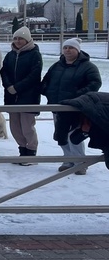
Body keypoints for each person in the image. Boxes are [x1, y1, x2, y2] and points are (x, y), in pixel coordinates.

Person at [41, 38, 102, 174]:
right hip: (57, 106)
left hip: (75, 107)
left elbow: (95, 84)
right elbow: (46, 81)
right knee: (60, 135)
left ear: (77, 50)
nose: (67, 50)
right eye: (65, 48)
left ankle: (80, 162)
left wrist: (77, 96)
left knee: (73, 134)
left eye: (71, 48)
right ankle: (68, 160)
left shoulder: (88, 67)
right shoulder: (57, 66)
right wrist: (47, 91)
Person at [0, 26, 43, 165]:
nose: (18, 41)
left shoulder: (34, 54)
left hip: (28, 97)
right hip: (12, 97)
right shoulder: (10, 55)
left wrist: (17, 88)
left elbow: (34, 75)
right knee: (15, 127)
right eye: (16, 38)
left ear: (27, 40)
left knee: (27, 126)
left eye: (21, 38)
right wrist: (8, 86)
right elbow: (4, 71)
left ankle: (31, 152)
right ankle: (22, 150)